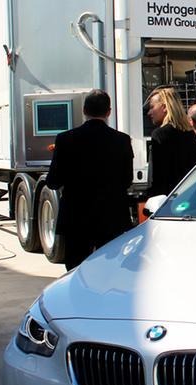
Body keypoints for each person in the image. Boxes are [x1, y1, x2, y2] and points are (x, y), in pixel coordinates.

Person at [46, 89, 134, 271]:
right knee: (110, 270)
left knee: (76, 270)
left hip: (76, 217)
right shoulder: (122, 140)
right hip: (112, 217)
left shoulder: (65, 139)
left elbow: (53, 180)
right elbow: (127, 180)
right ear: (108, 112)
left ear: (84, 110)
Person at [146, 87, 196, 196]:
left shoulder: (159, 134)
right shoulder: (190, 133)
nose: (149, 112)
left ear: (164, 107)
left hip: (166, 200)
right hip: (188, 196)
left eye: (152, 107)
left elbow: (156, 175)